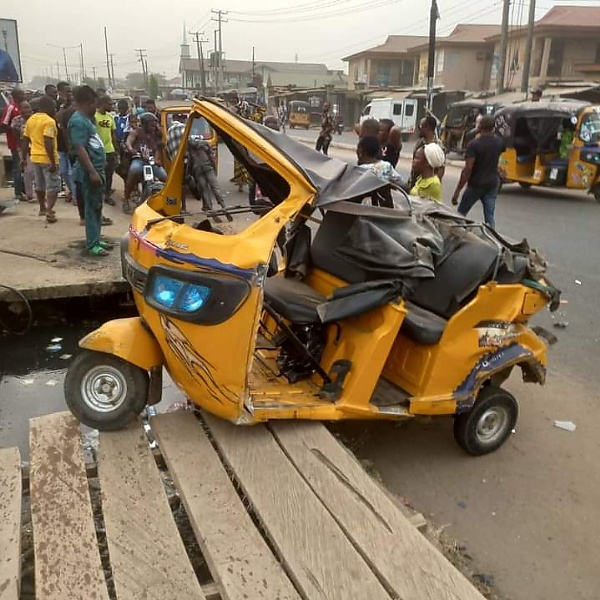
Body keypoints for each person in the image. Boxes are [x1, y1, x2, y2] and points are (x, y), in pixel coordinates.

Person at [68, 85, 111, 257]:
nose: (96, 107)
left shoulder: (86, 120)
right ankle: (92, 244)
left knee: (97, 206)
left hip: (97, 169)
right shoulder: (77, 121)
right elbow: (80, 149)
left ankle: (96, 238)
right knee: (92, 208)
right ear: (87, 102)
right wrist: (92, 172)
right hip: (89, 172)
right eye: (94, 103)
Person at [452, 115, 505, 228]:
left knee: (460, 214)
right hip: (492, 183)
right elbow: (496, 158)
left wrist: (457, 191)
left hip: (476, 184)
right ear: (493, 127)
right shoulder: (499, 142)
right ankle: (492, 237)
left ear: (480, 127)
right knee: (489, 215)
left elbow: (468, 169)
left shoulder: (474, 145)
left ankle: (456, 235)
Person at [22, 95, 61, 222]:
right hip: (47, 158)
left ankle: (42, 208)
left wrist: (23, 158)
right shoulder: (49, 121)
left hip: (35, 157)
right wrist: (53, 162)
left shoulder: (31, 119)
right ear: (48, 107)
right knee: (53, 186)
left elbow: (25, 139)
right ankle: (49, 211)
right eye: (53, 107)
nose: (55, 110)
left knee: (39, 185)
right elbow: (48, 141)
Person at [124, 112, 166, 214]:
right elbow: (129, 141)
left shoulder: (155, 134)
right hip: (138, 159)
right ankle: (126, 198)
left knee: (165, 177)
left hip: (150, 161)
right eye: (152, 125)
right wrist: (130, 148)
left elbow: (157, 150)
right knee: (134, 171)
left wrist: (157, 159)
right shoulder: (136, 132)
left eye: (155, 125)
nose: (154, 127)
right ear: (145, 124)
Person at [188, 137, 231, 221]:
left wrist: (189, 174)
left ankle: (212, 213)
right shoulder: (204, 145)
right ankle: (224, 208)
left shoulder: (189, 149)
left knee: (205, 192)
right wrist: (214, 169)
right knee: (216, 190)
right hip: (208, 168)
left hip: (198, 171)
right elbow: (212, 157)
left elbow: (189, 164)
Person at [357, 135, 406, 208]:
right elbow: (402, 184)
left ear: (360, 151)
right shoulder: (386, 166)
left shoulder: (359, 170)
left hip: (364, 209)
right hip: (385, 207)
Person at [1, 88, 26, 200]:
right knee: (17, 166)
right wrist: (14, 135)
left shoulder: (22, 106)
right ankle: (18, 192)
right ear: (15, 95)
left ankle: (23, 189)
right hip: (15, 143)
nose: (24, 95)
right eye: (22, 93)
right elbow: (4, 124)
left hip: (23, 143)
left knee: (24, 167)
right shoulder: (11, 107)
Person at [409, 115, 445, 188]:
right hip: (416, 183)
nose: (419, 129)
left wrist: (433, 186)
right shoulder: (419, 143)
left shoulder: (438, 145)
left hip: (428, 186)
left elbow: (441, 168)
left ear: (427, 128)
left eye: (420, 127)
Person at [95, 95, 118, 206]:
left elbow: (113, 135)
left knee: (109, 175)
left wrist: (116, 150)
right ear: (103, 104)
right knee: (99, 175)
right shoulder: (94, 117)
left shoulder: (110, 117)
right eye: (110, 104)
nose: (112, 106)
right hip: (98, 151)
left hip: (110, 150)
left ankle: (107, 195)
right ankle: (98, 195)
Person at [11, 101, 35, 202]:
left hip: (36, 148)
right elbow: (15, 134)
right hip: (23, 148)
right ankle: (30, 195)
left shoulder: (34, 119)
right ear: (20, 109)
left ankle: (39, 193)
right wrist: (22, 147)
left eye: (29, 107)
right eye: (25, 108)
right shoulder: (17, 120)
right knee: (28, 171)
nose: (28, 110)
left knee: (37, 172)